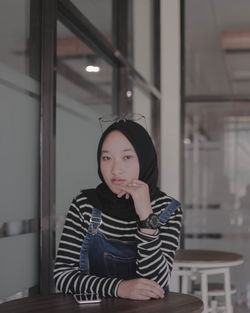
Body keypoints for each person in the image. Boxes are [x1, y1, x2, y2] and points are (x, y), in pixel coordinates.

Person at [54, 118, 183, 300]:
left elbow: (156, 284)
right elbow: (63, 276)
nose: (115, 169)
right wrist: (119, 288)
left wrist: (146, 215)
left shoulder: (167, 209)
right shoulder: (84, 205)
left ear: (144, 158)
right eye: (107, 158)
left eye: (127, 157)